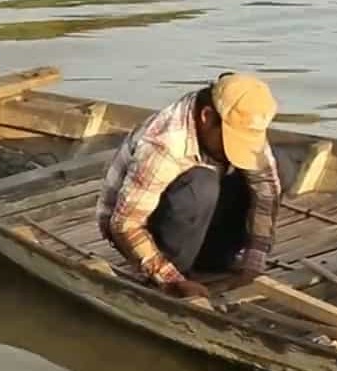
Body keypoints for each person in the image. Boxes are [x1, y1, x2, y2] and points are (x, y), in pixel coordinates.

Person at [96, 72, 295, 300]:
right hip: (149, 232)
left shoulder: (240, 119)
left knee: (281, 167)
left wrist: (253, 264)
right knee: (201, 184)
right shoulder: (164, 145)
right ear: (207, 117)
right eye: (229, 141)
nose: (232, 151)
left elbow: (265, 190)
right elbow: (124, 224)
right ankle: (176, 272)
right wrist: (171, 280)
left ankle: (214, 259)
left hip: (201, 222)